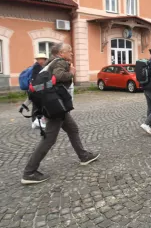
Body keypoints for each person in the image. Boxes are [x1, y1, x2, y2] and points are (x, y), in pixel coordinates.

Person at [21, 43, 99, 185]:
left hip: (56, 105)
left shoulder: (50, 63)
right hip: (56, 107)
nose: (72, 53)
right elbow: (60, 76)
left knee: (73, 129)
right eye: (69, 51)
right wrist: (72, 73)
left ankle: (84, 156)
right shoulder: (61, 62)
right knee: (49, 139)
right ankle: (29, 172)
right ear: (61, 53)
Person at [30, 53, 48, 129]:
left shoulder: (39, 66)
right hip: (36, 88)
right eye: (42, 59)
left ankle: (36, 121)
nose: (43, 61)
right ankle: (35, 120)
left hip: (37, 88)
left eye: (44, 59)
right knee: (36, 105)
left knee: (36, 104)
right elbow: (37, 78)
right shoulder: (37, 67)